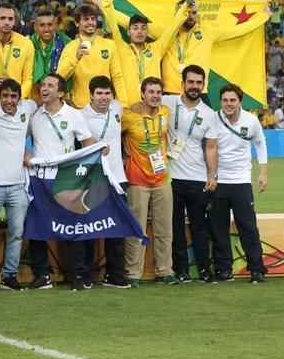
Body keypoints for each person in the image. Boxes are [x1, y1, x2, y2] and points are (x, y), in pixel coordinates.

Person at [27, 73, 100, 291]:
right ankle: (42, 275)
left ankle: (78, 274)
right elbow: (22, 139)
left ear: (61, 92)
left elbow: (87, 141)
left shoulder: (74, 115)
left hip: (66, 180)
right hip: (40, 179)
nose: (44, 89)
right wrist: (26, 153)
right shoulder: (34, 115)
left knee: (74, 226)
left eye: (50, 86)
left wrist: (99, 149)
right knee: (37, 227)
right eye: (43, 85)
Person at [0, 79, 38, 290]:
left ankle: (9, 276)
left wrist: (28, 151)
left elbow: (40, 100)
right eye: (5, 96)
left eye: (13, 96)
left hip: (18, 185)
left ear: (19, 98)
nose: (9, 101)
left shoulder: (27, 109)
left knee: (17, 233)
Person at [163, 65, 220, 283]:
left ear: (203, 85)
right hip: (171, 177)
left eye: (198, 83)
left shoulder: (209, 114)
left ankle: (204, 269)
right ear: (183, 84)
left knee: (199, 227)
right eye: (191, 82)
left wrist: (212, 176)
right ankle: (181, 270)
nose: (194, 86)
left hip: (197, 177)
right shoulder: (167, 103)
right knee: (175, 226)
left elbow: (211, 147)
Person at [207, 85, 268, 284]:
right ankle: (224, 270)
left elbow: (260, 144)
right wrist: (211, 176)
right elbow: (211, 147)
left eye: (232, 100)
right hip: (219, 181)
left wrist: (263, 173)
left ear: (240, 101)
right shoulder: (213, 118)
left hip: (241, 181)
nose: (228, 104)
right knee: (218, 228)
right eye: (225, 100)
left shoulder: (251, 120)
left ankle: (256, 269)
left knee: (248, 227)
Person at [121, 77, 178, 286]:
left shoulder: (166, 113)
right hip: (137, 180)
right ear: (142, 94)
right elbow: (113, 136)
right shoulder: (129, 116)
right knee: (137, 228)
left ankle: (165, 271)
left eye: (158, 92)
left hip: (162, 179)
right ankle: (133, 273)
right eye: (151, 92)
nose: (155, 96)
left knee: (165, 228)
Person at [99, 0, 191, 106]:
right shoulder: (121, 48)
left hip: (153, 105)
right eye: (135, 28)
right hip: (128, 107)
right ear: (128, 32)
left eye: (143, 28)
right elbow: (113, 24)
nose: (139, 32)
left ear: (147, 32)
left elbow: (172, 29)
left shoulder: (156, 49)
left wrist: (186, 5)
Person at [79, 76, 130, 288]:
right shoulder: (81, 116)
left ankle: (115, 275)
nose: (103, 97)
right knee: (90, 229)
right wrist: (97, 146)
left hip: (118, 178)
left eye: (107, 93)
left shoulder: (117, 108)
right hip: (93, 179)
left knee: (117, 229)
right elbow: (81, 143)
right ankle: (86, 276)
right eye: (99, 93)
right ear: (91, 95)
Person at [56, 3, 121, 109]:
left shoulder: (109, 45)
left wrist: (122, 102)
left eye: (93, 19)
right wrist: (76, 58)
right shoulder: (70, 47)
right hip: (80, 106)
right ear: (77, 23)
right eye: (86, 19)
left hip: (106, 106)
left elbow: (117, 76)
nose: (90, 22)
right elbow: (60, 76)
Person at [29, 8, 71, 99]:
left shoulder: (67, 43)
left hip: (60, 94)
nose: (46, 29)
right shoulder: (28, 44)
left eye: (50, 25)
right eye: (42, 25)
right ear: (35, 27)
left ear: (55, 26)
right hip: (34, 94)